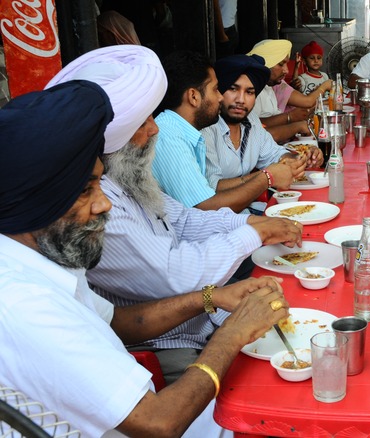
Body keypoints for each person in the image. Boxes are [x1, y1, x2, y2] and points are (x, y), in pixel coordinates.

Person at [0, 80, 292, 436]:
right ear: (34, 204)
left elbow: (118, 321)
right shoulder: (24, 304)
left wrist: (211, 298)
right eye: (84, 192)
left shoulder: (41, 259)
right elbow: (157, 423)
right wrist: (233, 333)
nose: (102, 202)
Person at [44, 46, 303, 386]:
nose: (154, 130)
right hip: (170, 347)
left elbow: (183, 219)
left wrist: (254, 223)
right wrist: (254, 233)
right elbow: (178, 273)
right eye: (144, 121)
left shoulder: (125, 177)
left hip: (203, 319)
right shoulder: (97, 201)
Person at [202, 54, 323, 214]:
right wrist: (266, 177)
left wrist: (300, 157)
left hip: (250, 210)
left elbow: (275, 153)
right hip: (219, 220)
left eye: (249, 92)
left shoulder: (250, 120)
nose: (241, 100)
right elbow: (213, 186)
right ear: (219, 91)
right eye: (233, 89)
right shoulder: (207, 127)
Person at [247, 39, 332, 142]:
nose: (286, 71)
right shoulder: (250, 91)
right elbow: (254, 127)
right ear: (266, 64)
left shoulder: (270, 87)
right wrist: (291, 118)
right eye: (281, 64)